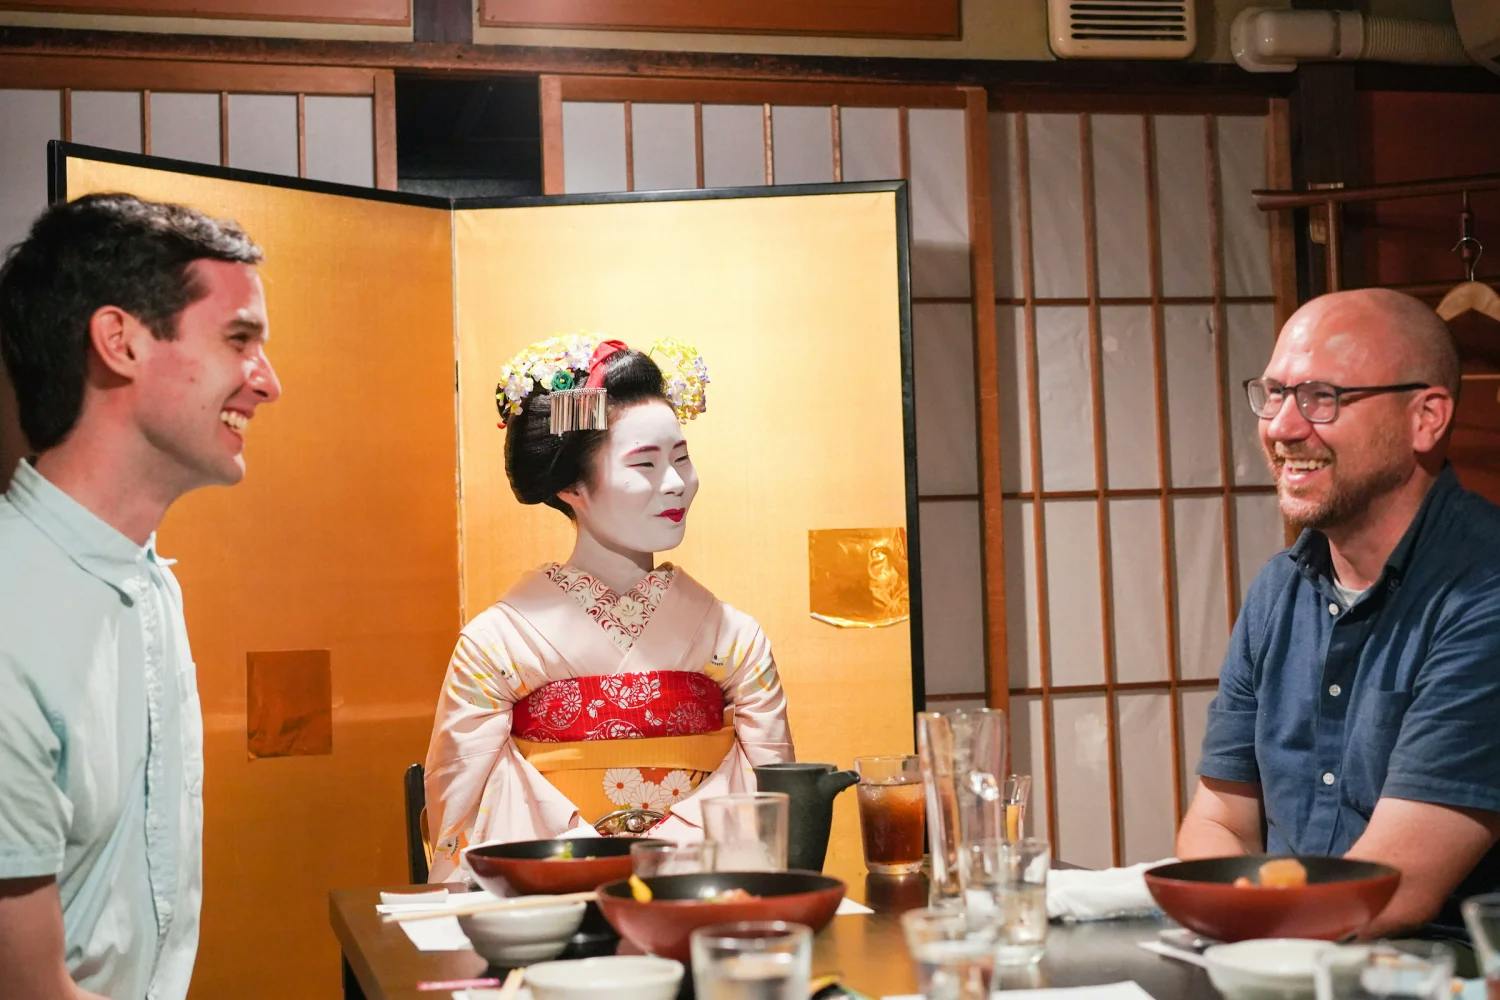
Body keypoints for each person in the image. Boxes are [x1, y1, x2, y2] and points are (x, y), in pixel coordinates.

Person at [0, 193, 281, 998]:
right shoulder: (11, 614)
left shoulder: (143, 580)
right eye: (240, 341)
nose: (268, 384)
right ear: (119, 341)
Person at [1177, 288, 1500, 937]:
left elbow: (1392, 889)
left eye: (1322, 397)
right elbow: (1216, 821)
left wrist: (1243, 925)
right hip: (1283, 956)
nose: (1282, 427)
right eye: (1273, 394)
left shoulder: (1483, 594)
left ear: (1426, 417)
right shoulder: (1279, 590)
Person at [423, 335, 794, 882]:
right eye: (644, 464)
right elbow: (461, 810)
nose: (676, 484)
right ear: (572, 485)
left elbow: (775, 800)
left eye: (682, 458)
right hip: (553, 893)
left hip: (698, 896)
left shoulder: (736, 638)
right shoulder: (494, 645)